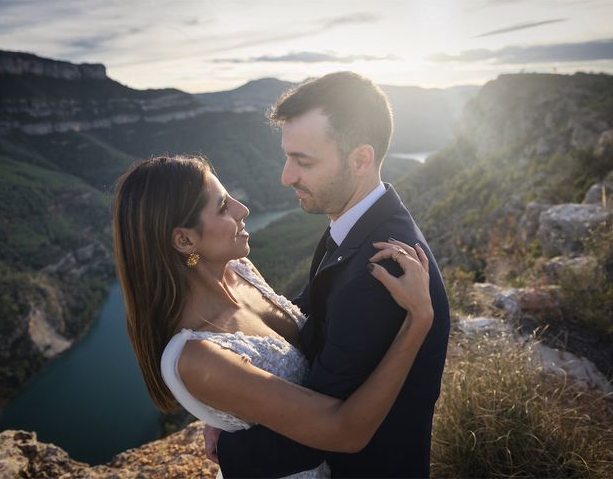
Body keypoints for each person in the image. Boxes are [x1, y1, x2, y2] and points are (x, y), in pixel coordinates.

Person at [112, 154, 434, 479]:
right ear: (184, 240)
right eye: (223, 207)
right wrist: (417, 322)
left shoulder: (238, 271)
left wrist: (230, 411)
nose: (243, 209)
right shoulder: (197, 356)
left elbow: (286, 341)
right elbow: (343, 431)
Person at [209, 72, 451, 478]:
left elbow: (317, 430)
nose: (287, 176)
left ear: (360, 160)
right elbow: (308, 322)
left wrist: (231, 439)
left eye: (304, 161)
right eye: (288, 156)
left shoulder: (380, 270)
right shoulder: (357, 227)